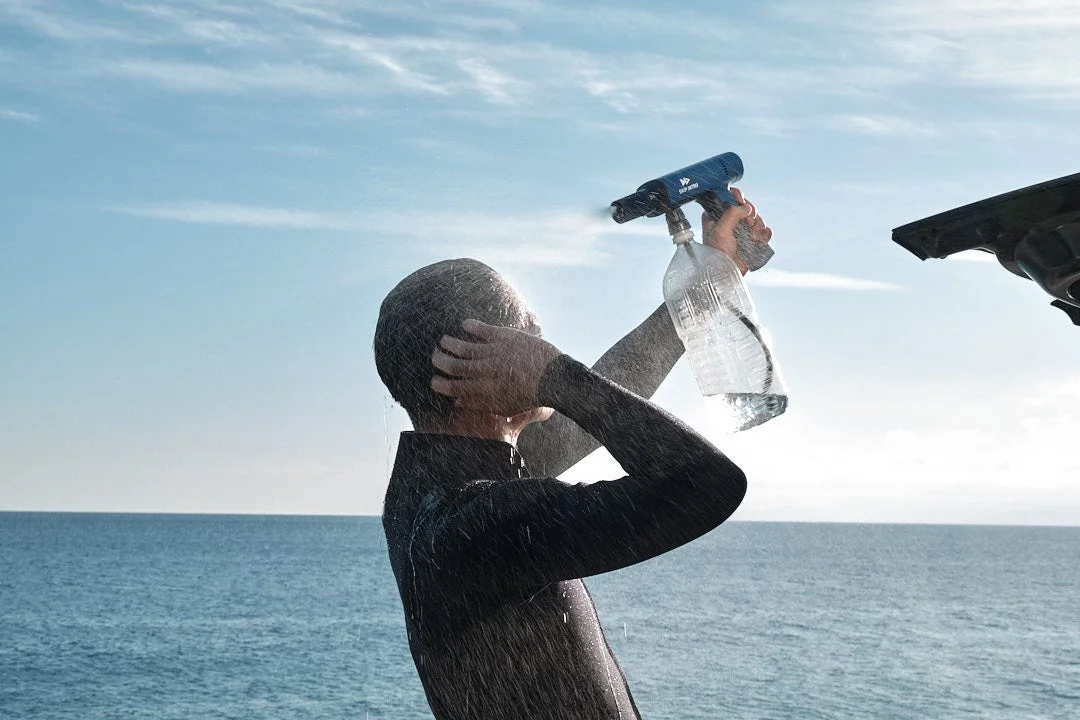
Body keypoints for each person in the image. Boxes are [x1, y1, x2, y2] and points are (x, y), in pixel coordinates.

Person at [375, 193, 772, 719]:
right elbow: (706, 484)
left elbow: (596, 405)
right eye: (524, 330)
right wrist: (556, 376)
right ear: (472, 366)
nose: (539, 339)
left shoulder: (429, 496)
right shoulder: (478, 523)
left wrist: (716, 275)